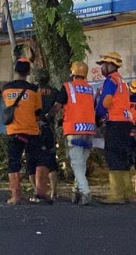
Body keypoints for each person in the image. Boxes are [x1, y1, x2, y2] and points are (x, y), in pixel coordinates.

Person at [1, 58, 49, 205]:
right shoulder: (34, 90)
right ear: (28, 72)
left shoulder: (6, 89)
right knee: (38, 160)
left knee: (13, 162)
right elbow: (38, 112)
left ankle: (16, 197)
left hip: (14, 131)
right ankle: (41, 193)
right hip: (32, 131)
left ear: (16, 70)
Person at [49, 61, 96, 205]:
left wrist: (48, 117)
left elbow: (57, 107)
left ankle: (85, 191)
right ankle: (77, 192)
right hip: (89, 130)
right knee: (81, 162)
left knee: (76, 163)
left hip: (74, 130)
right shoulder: (90, 89)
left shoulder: (67, 87)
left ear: (72, 73)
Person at [95, 51, 133, 204]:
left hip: (115, 123)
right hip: (125, 123)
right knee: (123, 156)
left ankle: (117, 195)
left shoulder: (111, 80)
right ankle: (127, 193)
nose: (101, 68)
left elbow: (106, 101)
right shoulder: (122, 81)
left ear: (110, 65)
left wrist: (97, 115)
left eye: (103, 65)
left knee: (113, 156)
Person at [30, 72, 59, 202]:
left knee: (32, 161)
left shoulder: (32, 91)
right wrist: (49, 117)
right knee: (51, 160)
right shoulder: (54, 91)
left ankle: (37, 190)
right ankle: (53, 192)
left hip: (33, 128)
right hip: (48, 128)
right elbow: (57, 107)